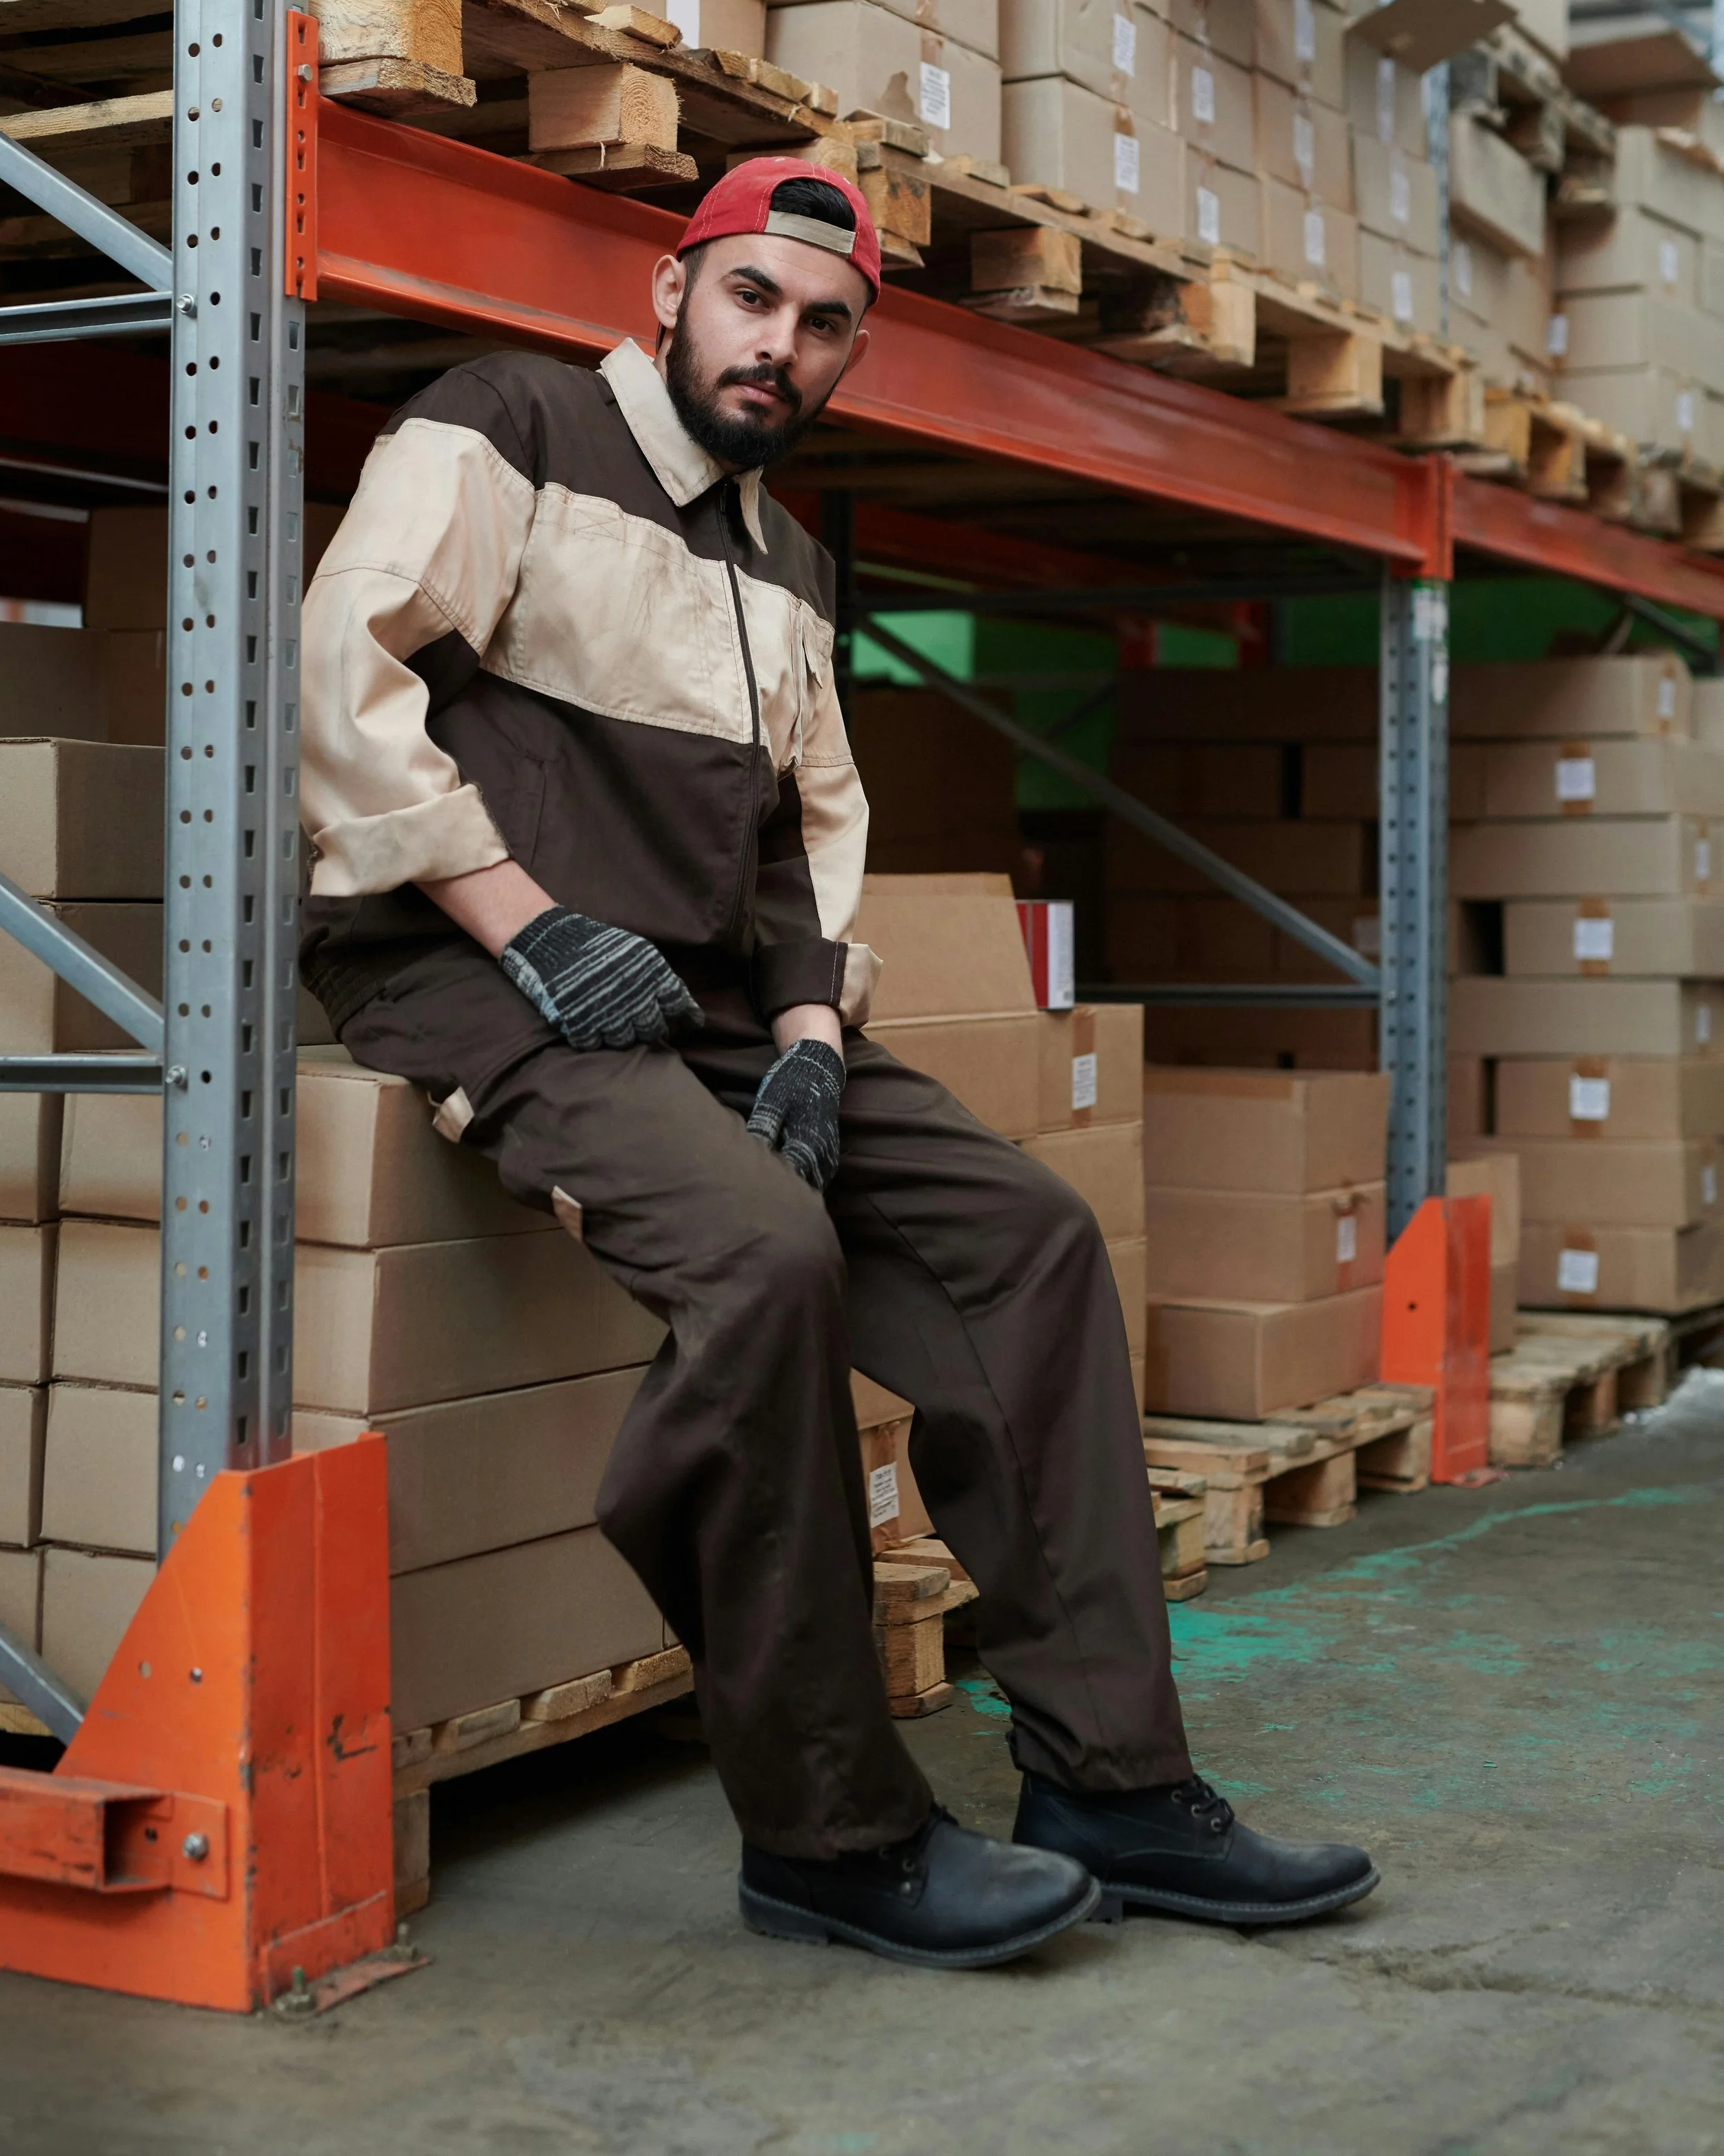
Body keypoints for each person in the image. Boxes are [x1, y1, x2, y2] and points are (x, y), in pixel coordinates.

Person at [297, 157, 1378, 1968]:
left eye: (821, 327)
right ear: (671, 292)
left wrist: (807, 1031)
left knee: (1024, 1235)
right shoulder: (515, 424)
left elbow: (806, 832)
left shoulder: (783, 558)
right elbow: (346, 664)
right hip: (463, 959)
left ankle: (1107, 1772)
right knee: (763, 1253)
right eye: (750, 301)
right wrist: (526, 922)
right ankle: (829, 1828)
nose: (777, 345)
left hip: (705, 994)